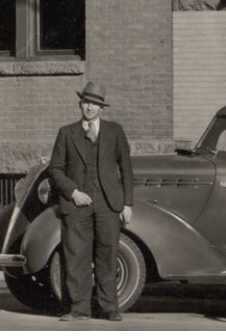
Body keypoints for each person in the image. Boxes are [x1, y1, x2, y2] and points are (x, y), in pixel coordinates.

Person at [47, 81, 134, 323]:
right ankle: (79, 309)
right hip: (76, 205)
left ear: (101, 108)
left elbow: (126, 168)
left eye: (94, 104)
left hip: (109, 204)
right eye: (86, 102)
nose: (89, 107)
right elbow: (55, 169)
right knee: (76, 257)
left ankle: (110, 309)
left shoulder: (115, 131)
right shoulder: (67, 133)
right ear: (80, 104)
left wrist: (127, 204)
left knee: (108, 255)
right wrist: (73, 192)